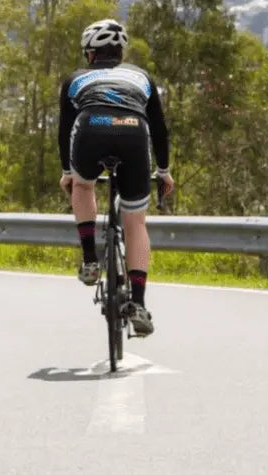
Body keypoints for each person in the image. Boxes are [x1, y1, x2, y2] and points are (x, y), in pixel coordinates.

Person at [57, 19, 174, 336]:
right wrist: (163, 171)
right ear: (120, 52)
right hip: (134, 131)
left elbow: (65, 130)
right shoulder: (141, 76)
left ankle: (90, 259)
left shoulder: (76, 79)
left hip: (90, 126)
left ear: (90, 54)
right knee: (136, 222)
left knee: (83, 185)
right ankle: (137, 302)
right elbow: (160, 129)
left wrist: (68, 173)